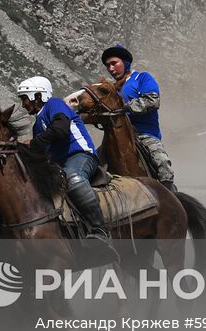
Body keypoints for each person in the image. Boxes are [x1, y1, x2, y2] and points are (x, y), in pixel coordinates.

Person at [17, 74, 111, 243]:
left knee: (73, 178)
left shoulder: (54, 104)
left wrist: (33, 142)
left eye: (25, 98)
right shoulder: (37, 126)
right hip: (59, 164)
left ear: (38, 96)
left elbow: (60, 129)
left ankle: (100, 230)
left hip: (81, 155)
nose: (23, 104)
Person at [99, 43, 176, 190]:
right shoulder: (111, 88)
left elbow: (152, 100)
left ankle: (172, 198)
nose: (111, 69)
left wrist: (124, 108)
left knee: (163, 164)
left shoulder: (142, 78)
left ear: (125, 62)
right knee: (93, 163)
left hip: (144, 135)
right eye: (108, 66)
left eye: (114, 63)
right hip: (118, 137)